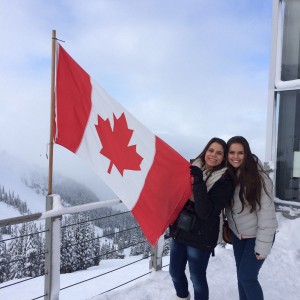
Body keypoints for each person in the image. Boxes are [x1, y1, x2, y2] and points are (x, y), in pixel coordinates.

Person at [169, 137, 234, 300]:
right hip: (181, 229)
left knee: (197, 279)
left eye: (219, 153)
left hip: (201, 236)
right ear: (205, 150)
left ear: (224, 157)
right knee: (175, 273)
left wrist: (198, 181)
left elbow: (205, 211)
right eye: (211, 150)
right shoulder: (191, 167)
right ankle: (182, 297)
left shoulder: (225, 180)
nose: (214, 155)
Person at [226, 136, 278, 300]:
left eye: (240, 152)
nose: (236, 156)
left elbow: (267, 215)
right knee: (241, 278)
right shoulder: (229, 176)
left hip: (256, 236)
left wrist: (262, 246)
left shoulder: (259, 178)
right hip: (238, 235)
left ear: (247, 154)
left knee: (247, 278)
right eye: (232, 152)